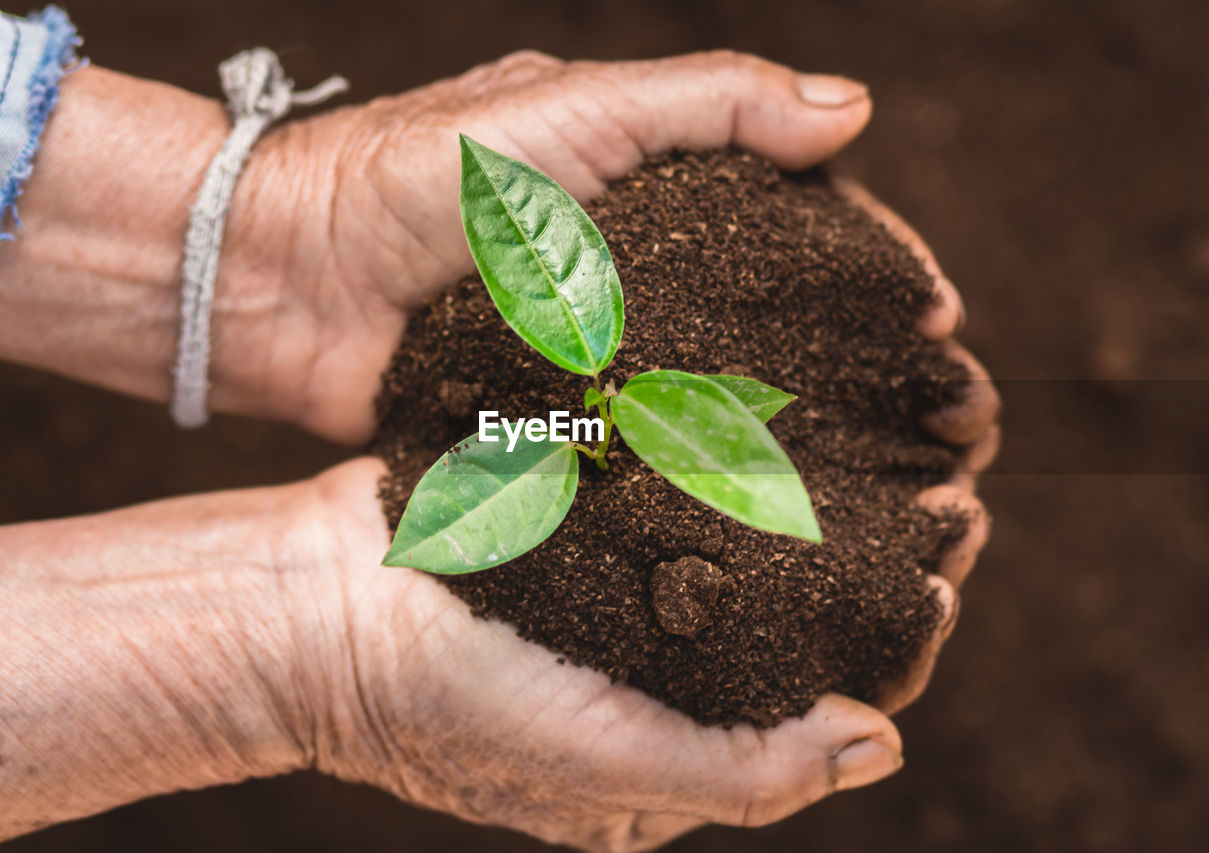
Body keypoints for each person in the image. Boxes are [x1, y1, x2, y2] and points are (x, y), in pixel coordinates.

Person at [0, 8, 998, 851]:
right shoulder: (569, 412)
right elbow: (579, 423)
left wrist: (297, 225)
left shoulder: (617, 406)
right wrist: (320, 659)